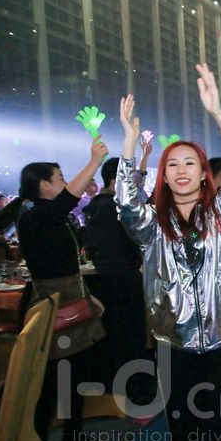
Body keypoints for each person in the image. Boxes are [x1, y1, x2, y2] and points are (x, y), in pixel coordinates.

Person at [116, 63, 221, 441]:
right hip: (172, 338)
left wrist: (218, 114)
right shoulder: (151, 225)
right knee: (182, 420)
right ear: (164, 175)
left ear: (203, 172)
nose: (181, 169)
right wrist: (129, 142)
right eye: (172, 163)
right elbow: (125, 203)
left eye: (190, 162)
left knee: (220, 415)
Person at [17, 138, 110, 441]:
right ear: (44, 185)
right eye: (59, 177)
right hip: (51, 306)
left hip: (70, 299)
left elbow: (67, 265)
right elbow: (68, 200)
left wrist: (87, 296)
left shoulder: (52, 217)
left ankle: (73, 433)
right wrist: (94, 162)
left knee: (75, 370)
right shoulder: (36, 216)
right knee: (52, 377)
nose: (65, 182)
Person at [83, 157, 152, 403]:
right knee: (131, 336)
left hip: (105, 278)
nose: (135, 183)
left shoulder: (95, 207)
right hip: (124, 277)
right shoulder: (115, 207)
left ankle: (123, 387)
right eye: (131, 178)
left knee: (117, 335)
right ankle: (137, 389)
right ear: (116, 180)